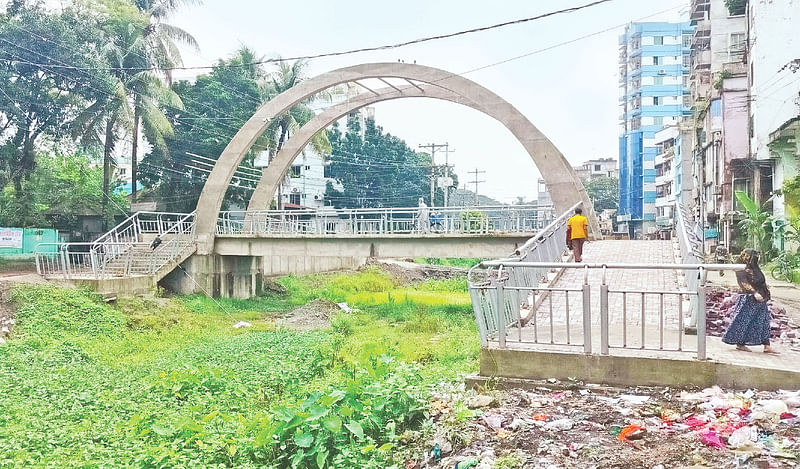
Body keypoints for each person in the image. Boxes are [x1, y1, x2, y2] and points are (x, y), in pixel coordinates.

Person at [723, 249, 778, 353]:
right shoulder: (740, 268)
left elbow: (761, 279)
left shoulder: (754, 267)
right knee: (744, 321)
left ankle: (766, 345)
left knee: (764, 321)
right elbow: (743, 282)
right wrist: (754, 293)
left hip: (761, 298)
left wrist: (765, 290)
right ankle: (740, 343)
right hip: (749, 299)